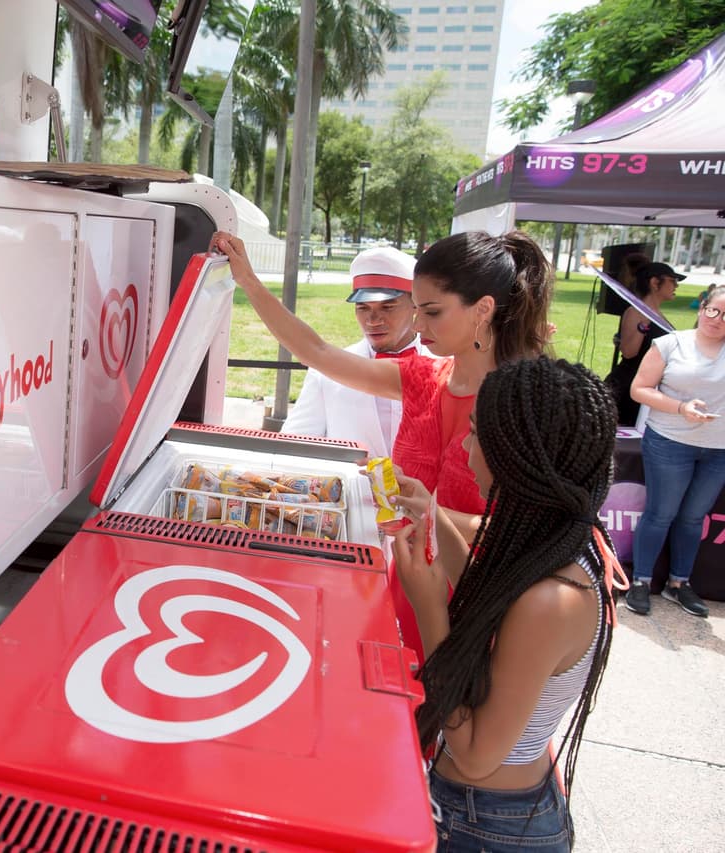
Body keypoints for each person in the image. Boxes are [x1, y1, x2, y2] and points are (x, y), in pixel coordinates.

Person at [211, 229, 553, 661]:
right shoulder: (422, 378)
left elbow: (535, 528)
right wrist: (248, 280)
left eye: (431, 311)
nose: (418, 325)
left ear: (483, 309)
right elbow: (317, 351)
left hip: (481, 595)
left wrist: (428, 513)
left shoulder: (526, 401)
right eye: (418, 310)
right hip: (407, 582)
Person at [391, 357, 621, 852]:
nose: (464, 448)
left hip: (486, 822)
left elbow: (475, 756)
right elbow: (488, 586)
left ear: (520, 460)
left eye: (476, 436)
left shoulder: (552, 601)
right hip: (485, 808)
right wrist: (430, 512)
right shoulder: (561, 538)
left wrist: (430, 610)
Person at [624, 284, 725, 618]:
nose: (717, 319)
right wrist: (681, 408)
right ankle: (641, 581)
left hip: (719, 450)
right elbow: (639, 389)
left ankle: (679, 582)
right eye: (713, 310)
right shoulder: (671, 343)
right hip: (669, 441)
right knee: (660, 514)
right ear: (702, 307)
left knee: (694, 517)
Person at [282, 246, 434, 457]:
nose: (373, 320)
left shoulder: (448, 369)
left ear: (415, 305)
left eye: (387, 307)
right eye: (363, 308)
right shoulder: (326, 373)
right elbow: (294, 444)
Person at [604, 260, 681, 425]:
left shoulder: (658, 314)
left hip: (648, 386)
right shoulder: (635, 312)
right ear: (655, 282)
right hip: (629, 386)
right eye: (672, 280)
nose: (676, 285)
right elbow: (628, 351)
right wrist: (643, 325)